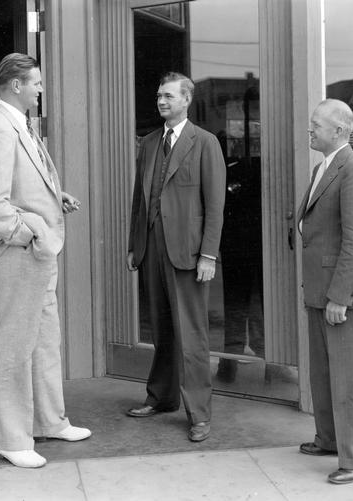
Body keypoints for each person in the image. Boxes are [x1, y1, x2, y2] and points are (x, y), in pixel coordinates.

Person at [0, 53, 91, 468]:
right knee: (15, 345)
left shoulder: (18, 124)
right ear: (16, 86)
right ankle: (10, 437)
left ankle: (48, 421)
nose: (41, 88)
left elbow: (21, 184)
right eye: (36, 83)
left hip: (37, 253)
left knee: (43, 340)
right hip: (20, 252)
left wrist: (52, 198)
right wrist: (32, 231)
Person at [126, 72, 226, 442]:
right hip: (153, 249)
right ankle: (161, 397)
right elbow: (141, 199)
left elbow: (215, 205)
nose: (161, 101)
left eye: (168, 95)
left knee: (192, 335)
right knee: (162, 329)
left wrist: (209, 255)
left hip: (188, 253)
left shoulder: (205, 142)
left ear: (186, 99)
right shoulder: (151, 142)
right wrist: (135, 246)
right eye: (158, 95)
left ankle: (199, 413)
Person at [297, 98, 353, 484]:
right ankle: (330, 440)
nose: (309, 130)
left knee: (350, 381)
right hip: (319, 291)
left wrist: (340, 297)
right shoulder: (322, 167)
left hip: (342, 298)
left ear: (340, 131)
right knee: (325, 376)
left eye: (316, 125)